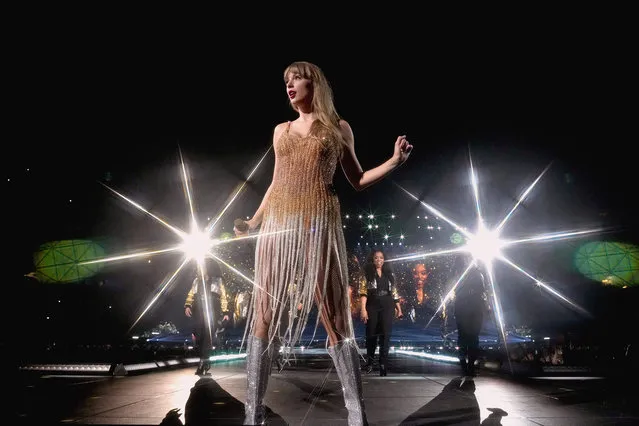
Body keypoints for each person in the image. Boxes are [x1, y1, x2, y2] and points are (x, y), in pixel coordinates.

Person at [236, 61, 413, 425]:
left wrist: (394, 162)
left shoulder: (338, 127)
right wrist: (254, 221)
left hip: (319, 221)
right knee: (265, 313)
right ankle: (252, 416)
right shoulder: (280, 130)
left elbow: (358, 179)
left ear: (314, 82)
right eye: (285, 81)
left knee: (333, 314)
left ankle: (356, 416)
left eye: (296, 78)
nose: (289, 85)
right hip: (279, 225)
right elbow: (275, 183)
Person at [359, 249, 402, 376]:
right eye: (376, 258)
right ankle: (370, 363)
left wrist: (399, 309)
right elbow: (363, 292)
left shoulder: (390, 274)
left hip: (387, 305)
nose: (379, 260)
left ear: (384, 259)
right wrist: (363, 309)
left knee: (385, 335)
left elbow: (394, 293)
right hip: (372, 304)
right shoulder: (366, 273)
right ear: (372, 259)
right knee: (371, 334)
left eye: (381, 258)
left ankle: (383, 364)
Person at [184, 258, 230, 376]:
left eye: (203, 267)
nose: (200, 269)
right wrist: (188, 306)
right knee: (199, 336)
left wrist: (225, 312)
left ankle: (203, 363)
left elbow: (224, 297)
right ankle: (204, 361)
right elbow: (190, 295)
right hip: (198, 311)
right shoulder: (196, 281)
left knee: (208, 338)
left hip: (212, 312)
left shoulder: (218, 281)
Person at [452, 255, 490, 377]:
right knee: (468, 338)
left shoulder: (474, 274)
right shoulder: (462, 274)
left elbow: (482, 291)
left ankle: (468, 365)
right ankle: (467, 365)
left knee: (469, 338)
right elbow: (482, 291)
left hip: (471, 308)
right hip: (468, 308)